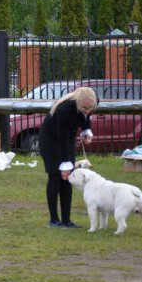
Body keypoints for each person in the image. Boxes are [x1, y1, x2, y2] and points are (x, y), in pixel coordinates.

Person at [39, 86, 97, 229]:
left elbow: (87, 116)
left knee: (68, 178)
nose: (88, 110)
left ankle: (66, 220)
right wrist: (65, 165)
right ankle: (54, 220)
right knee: (55, 176)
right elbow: (62, 137)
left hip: (67, 138)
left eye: (90, 107)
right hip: (51, 140)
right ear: (77, 102)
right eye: (84, 107)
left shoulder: (92, 102)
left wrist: (86, 130)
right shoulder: (64, 109)